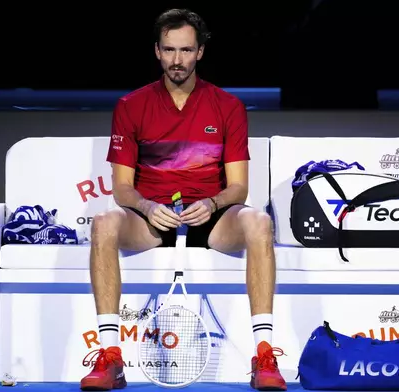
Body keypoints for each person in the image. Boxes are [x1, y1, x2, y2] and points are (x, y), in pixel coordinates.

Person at [79, 8, 287, 392]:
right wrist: (146, 207)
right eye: (170, 50)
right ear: (156, 51)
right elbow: (123, 188)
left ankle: (264, 355)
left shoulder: (228, 107)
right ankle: (111, 358)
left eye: (186, 50)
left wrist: (210, 203)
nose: (178, 60)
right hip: (152, 218)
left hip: (211, 216)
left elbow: (238, 187)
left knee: (259, 222)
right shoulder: (130, 106)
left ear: (200, 52)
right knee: (104, 222)